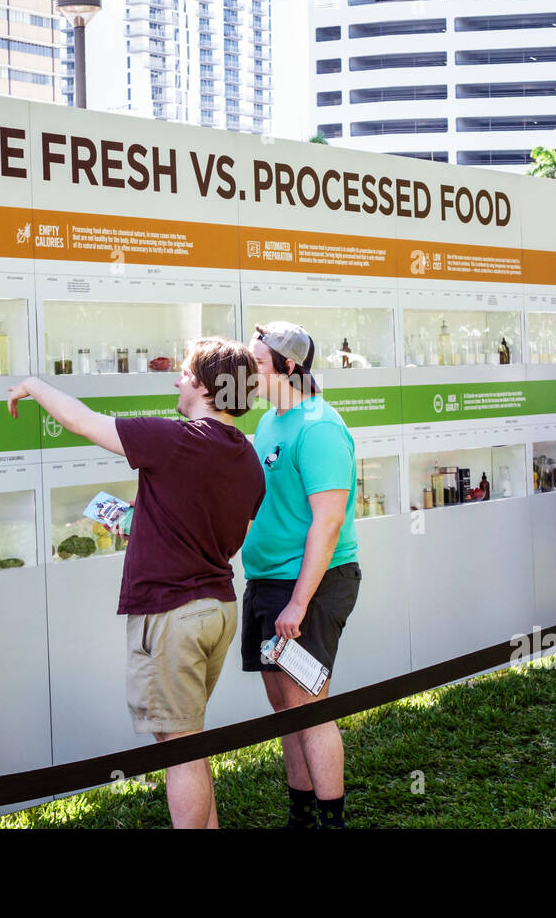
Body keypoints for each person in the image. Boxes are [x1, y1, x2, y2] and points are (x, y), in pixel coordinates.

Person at [6, 337, 265, 828]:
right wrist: (147, 524)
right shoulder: (248, 461)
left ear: (209, 387)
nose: (176, 381)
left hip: (173, 615)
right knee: (190, 741)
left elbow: (84, 422)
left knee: (180, 753)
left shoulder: (177, 438)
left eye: (185, 374)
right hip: (217, 609)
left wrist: (35, 385)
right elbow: (230, 540)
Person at [242, 321, 361, 829]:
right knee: (284, 707)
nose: (246, 372)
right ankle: (301, 815)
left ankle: (331, 821)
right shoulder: (269, 422)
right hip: (267, 584)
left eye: (256, 364)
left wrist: (297, 603)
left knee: (307, 707)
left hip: (311, 586)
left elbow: (328, 521)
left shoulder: (320, 426)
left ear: (289, 367)